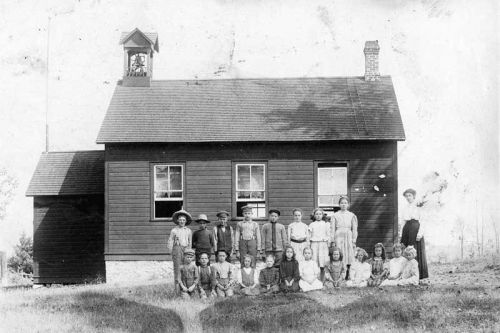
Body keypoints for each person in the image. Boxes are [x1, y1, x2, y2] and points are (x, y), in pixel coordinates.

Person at [400, 188, 429, 280]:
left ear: (414, 196)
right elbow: (403, 221)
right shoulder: (405, 208)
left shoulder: (418, 206)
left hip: (415, 229)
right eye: (406, 196)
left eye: (410, 195)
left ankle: (419, 275)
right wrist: (402, 234)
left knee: (415, 251)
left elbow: (423, 221)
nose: (408, 198)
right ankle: (407, 275)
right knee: (406, 251)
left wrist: (420, 234)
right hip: (406, 229)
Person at [332, 197, 358, 280]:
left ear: (348, 204)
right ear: (339, 204)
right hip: (339, 235)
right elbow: (332, 229)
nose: (343, 204)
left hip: (348, 235)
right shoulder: (335, 215)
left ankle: (348, 274)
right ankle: (339, 274)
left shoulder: (351, 215)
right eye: (342, 203)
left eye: (345, 203)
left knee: (349, 254)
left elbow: (354, 229)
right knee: (340, 253)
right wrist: (332, 240)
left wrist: (354, 240)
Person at [167, 210, 193, 291]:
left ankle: (185, 288)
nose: (182, 221)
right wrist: (171, 251)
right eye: (180, 220)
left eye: (183, 220)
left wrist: (189, 253)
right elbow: (170, 241)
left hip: (186, 250)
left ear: (186, 221)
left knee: (185, 268)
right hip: (177, 250)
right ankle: (177, 290)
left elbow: (190, 242)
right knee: (177, 269)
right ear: (178, 220)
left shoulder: (188, 230)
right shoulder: (174, 230)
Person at [308, 208, 331, 279]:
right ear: (314, 215)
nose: (318, 216)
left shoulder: (326, 224)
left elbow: (328, 235)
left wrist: (328, 243)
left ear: (322, 215)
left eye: (320, 214)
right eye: (316, 214)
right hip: (314, 244)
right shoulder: (312, 224)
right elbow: (309, 235)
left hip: (323, 244)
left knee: (322, 262)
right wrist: (308, 244)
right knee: (314, 260)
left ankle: (322, 279)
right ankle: (315, 278)